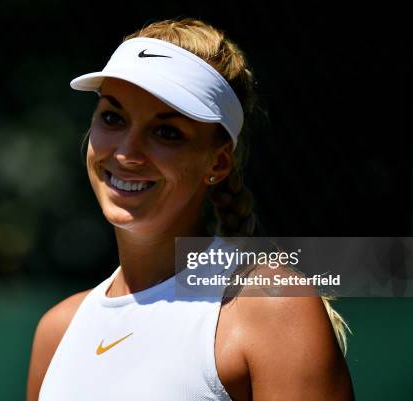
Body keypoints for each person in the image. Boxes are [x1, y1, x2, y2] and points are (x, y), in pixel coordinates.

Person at [27, 18, 354, 401]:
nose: (126, 152)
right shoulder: (58, 330)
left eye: (167, 132)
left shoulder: (274, 307)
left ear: (216, 164)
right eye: (113, 118)